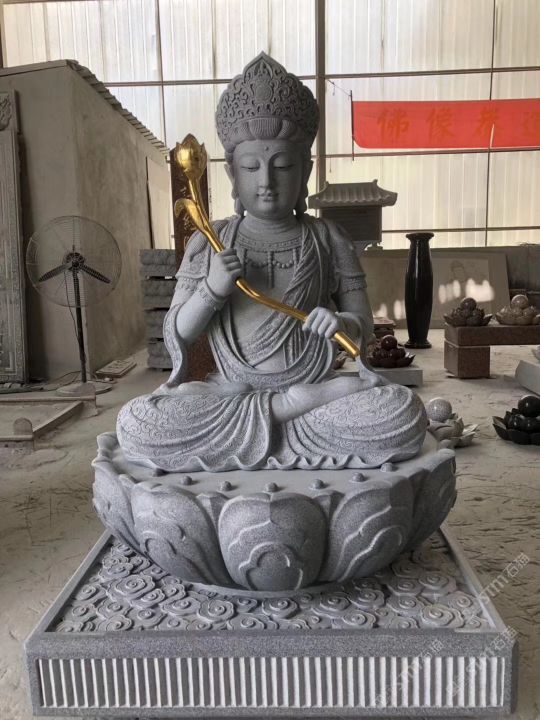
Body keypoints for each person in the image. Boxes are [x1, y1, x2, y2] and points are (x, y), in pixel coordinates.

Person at [117, 53, 426, 472]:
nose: (266, 182)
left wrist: (341, 323)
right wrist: (211, 290)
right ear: (232, 175)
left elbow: (363, 325)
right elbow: (178, 332)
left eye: (282, 166)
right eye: (251, 167)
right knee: (140, 422)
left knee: (400, 410)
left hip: (311, 386)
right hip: (234, 393)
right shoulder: (210, 242)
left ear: (305, 171)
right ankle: (283, 413)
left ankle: (272, 420)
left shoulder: (328, 238)